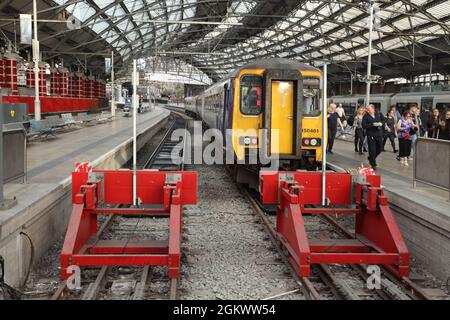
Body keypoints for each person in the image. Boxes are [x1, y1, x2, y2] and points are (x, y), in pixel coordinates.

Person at [362, 104, 384, 170]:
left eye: (369, 109)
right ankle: (373, 164)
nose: (367, 110)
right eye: (367, 109)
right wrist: (372, 124)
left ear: (373, 109)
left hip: (379, 134)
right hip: (371, 135)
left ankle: (371, 158)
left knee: (380, 149)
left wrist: (381, 124)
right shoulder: (365, 116)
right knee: (372, 150)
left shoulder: (379, 114)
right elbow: (364, 126)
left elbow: (384, 120)